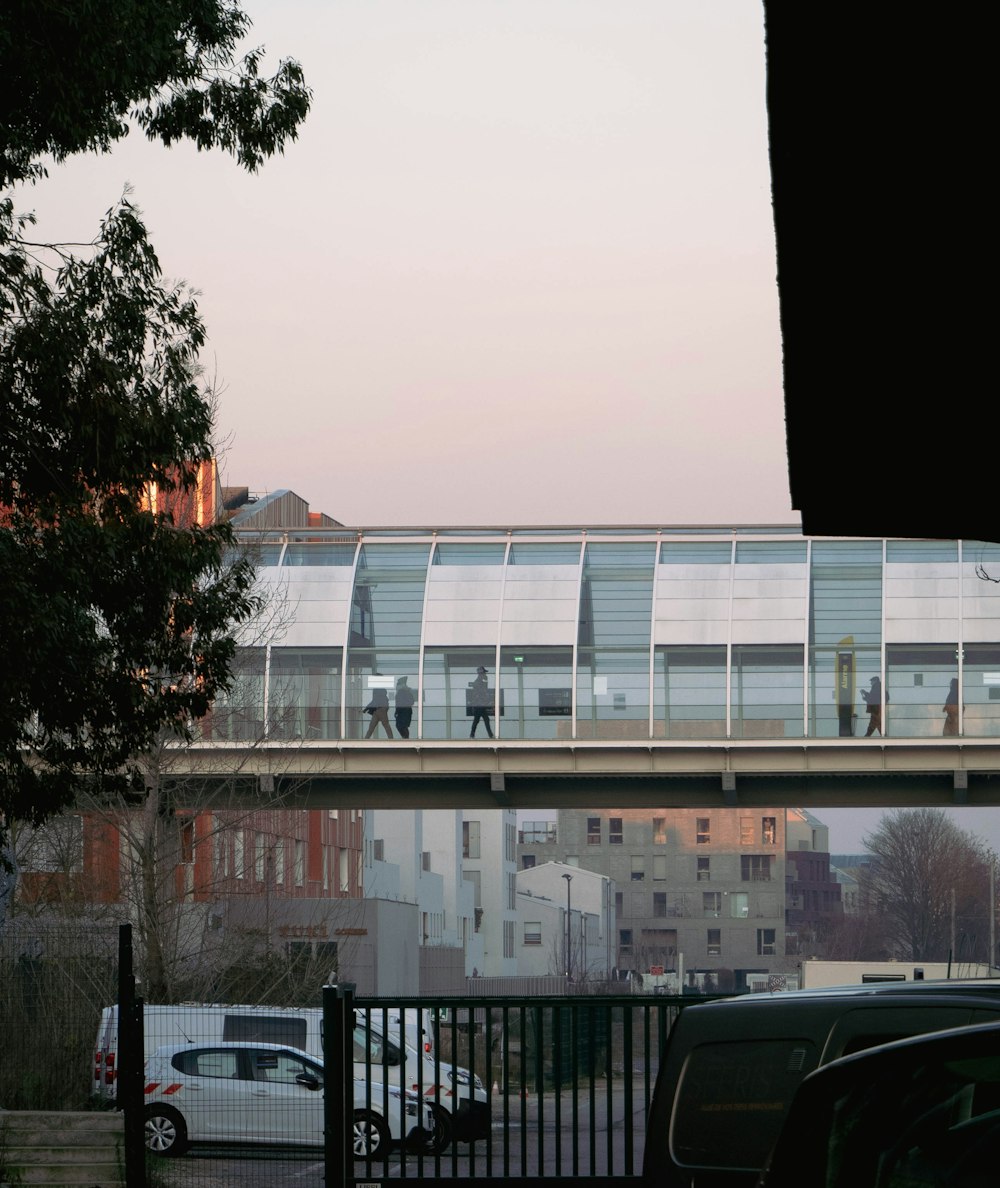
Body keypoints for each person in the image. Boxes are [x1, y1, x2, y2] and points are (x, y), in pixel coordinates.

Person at [468, 665, 494, 738]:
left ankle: (472, 734)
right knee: (480, 720)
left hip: (480, 704)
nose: (485, 674)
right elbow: (482, 690)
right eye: (484, 672)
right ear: (481, 673)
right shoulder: (481, 679)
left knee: (479, 720)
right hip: (479, 704)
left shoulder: (479, 680)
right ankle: (489, 735)